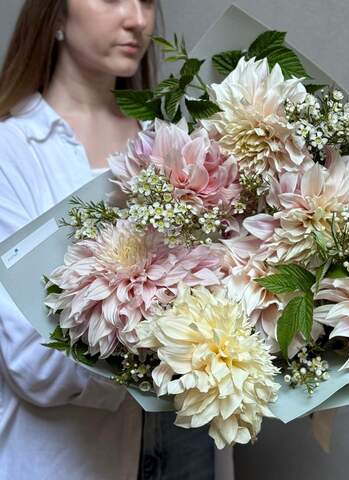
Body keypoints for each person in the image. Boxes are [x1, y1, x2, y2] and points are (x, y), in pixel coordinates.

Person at [0, 1, 218, 478]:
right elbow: (33, 363)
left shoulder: (176, 143)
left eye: (146, 1)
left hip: (190, 441)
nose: (138, 20)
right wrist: (173, 346)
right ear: (54, 15)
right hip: (69, 455)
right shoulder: (10, 152)